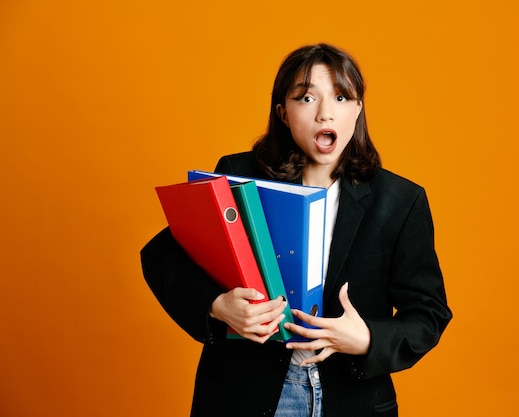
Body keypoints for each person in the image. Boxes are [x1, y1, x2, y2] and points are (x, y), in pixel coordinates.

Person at [140, 43, 452, 417]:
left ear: (357, 109)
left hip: (351, 399)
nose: (325, 113)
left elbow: (428, 314)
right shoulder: (238, 177)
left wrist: (367, 338)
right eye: (305, 98)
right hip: (243, 392)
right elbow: (163, 256)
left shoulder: (400, 201)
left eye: (340, 97)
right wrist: (218, 306)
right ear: (283, 114)